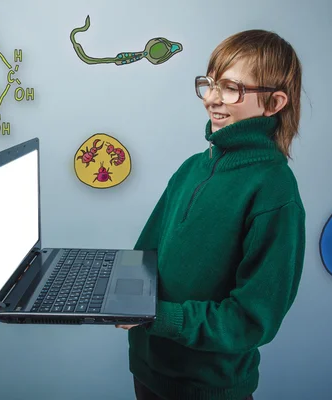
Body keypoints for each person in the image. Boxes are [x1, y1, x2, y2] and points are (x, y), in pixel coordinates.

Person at [116, 29, 306, 400]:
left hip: (208, 387)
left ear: (273, 103)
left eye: (232, 88)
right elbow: (144, 257)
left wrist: (160, 316)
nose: (212, 99)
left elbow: (253, 320)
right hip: (146, 369)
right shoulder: (192, 168)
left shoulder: (274, 190)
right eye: (210, 84)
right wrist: (103, 287)